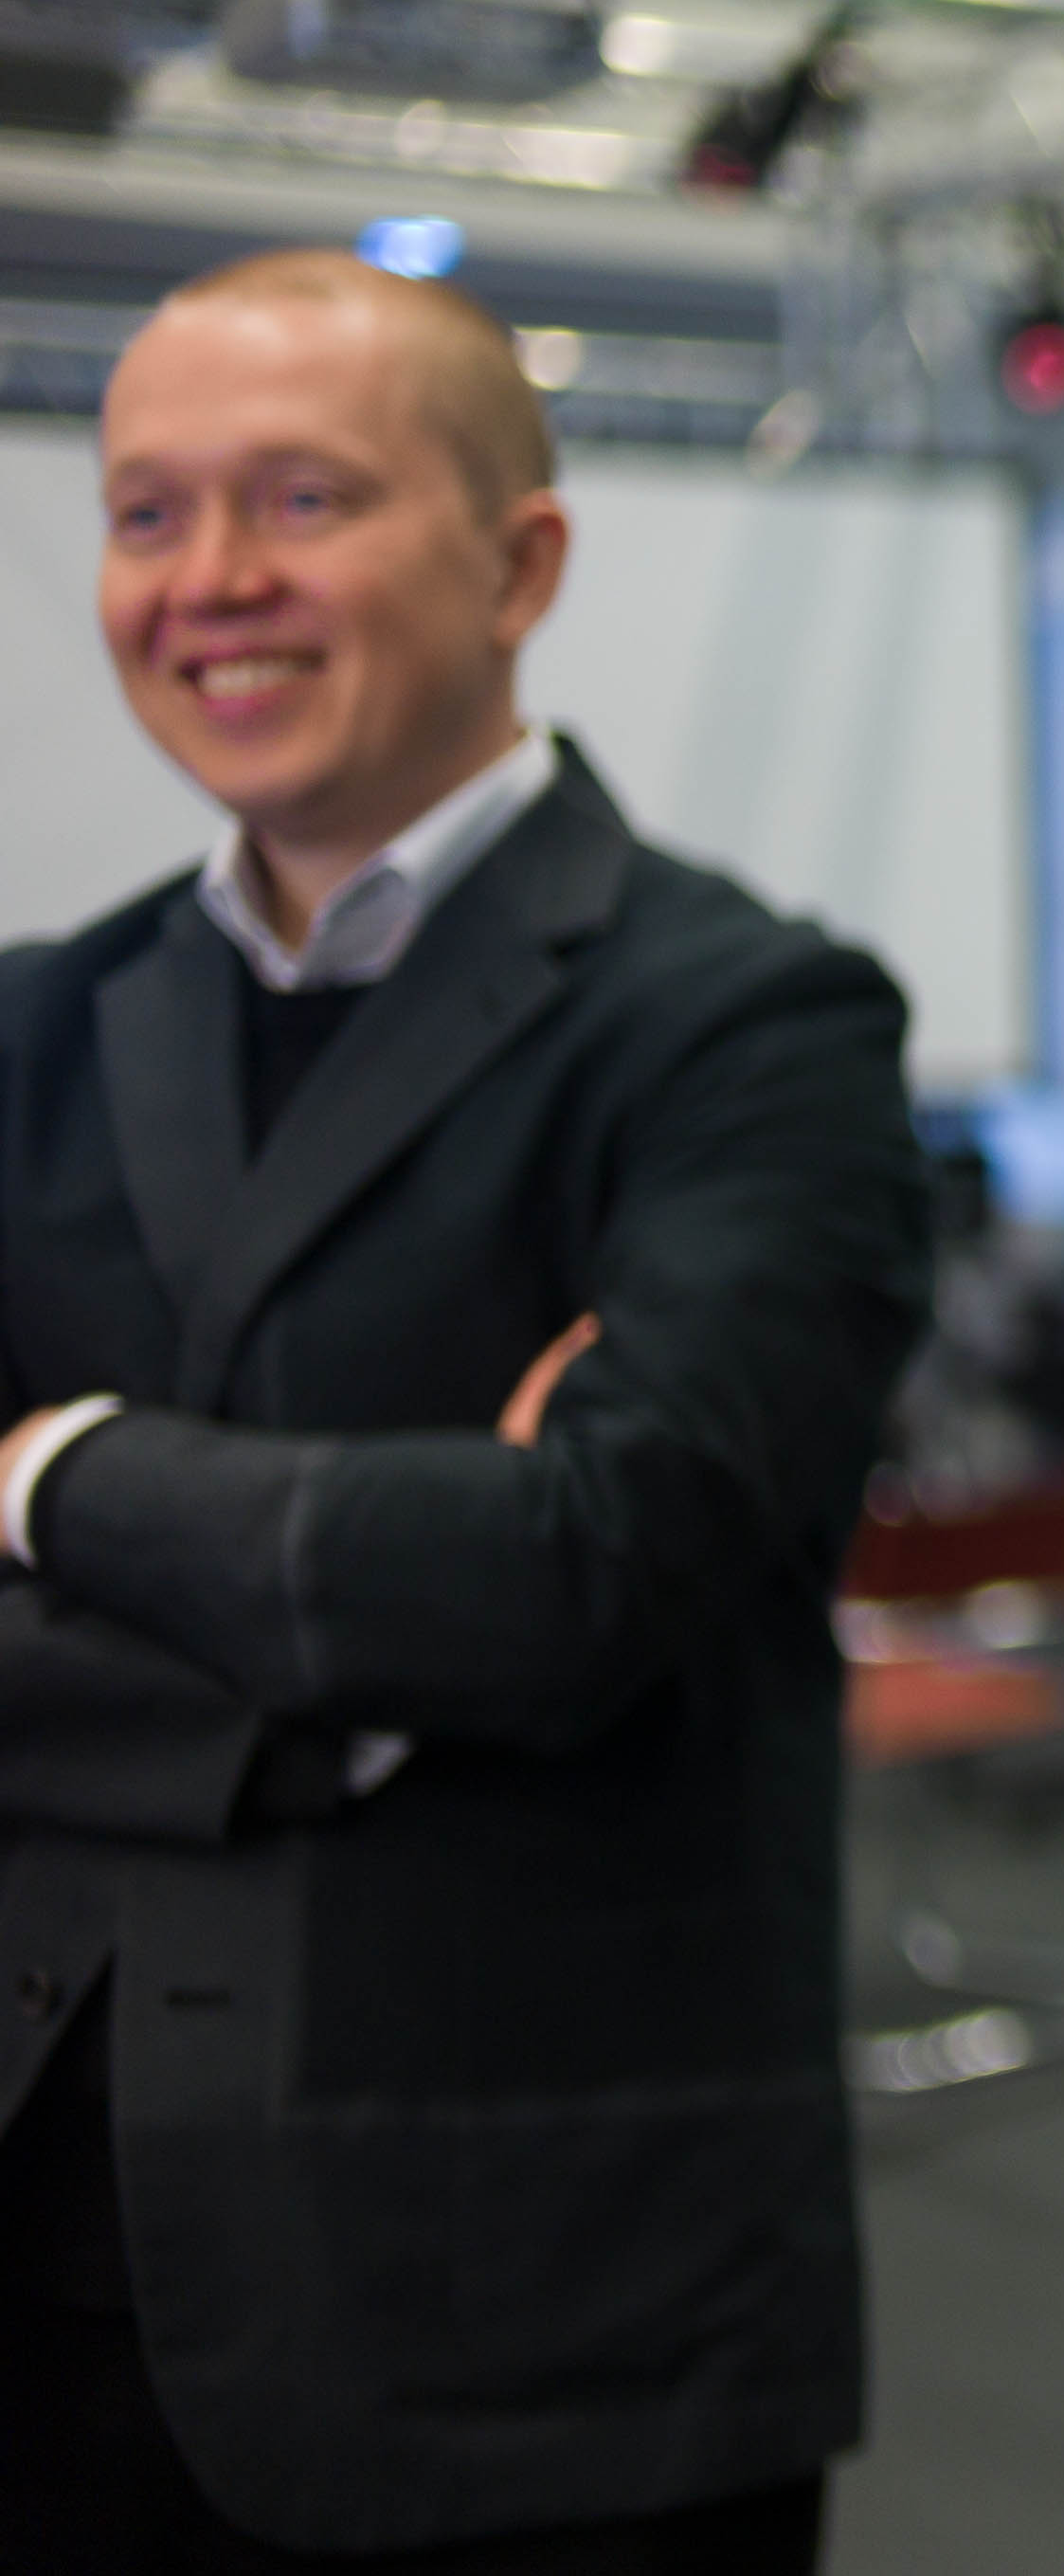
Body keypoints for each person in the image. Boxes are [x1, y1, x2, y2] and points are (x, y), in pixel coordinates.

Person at [0, 252, 932, 2567]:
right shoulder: (28, 1030)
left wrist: (45, 1479)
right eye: (146, 512)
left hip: (537, 2328)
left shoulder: (750, 1027)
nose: (210, 580)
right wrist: (371, 1626)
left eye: (299, 497)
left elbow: (589, 1576)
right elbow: (501, 1592)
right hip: (46, 2264)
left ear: (520, 563)